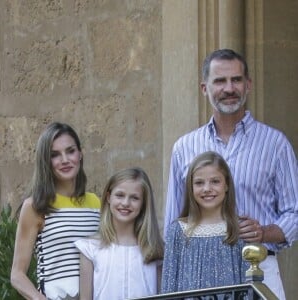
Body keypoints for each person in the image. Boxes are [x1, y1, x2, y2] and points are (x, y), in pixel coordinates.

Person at [164, 48, 298, 299]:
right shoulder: (184, 147)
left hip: (258, 267)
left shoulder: (274, 144)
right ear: (205, 88)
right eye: (220, 81)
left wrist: (264, 233)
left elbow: (296, 212)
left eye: (236, 80)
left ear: (248, 85)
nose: (229, 88)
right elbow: (173, 220)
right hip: (200, 274)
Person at [11, 122, 101, 300]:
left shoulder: (95, 202)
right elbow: (17, 275)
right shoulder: (35, 206)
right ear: (46, 161)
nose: (65, 160)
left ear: (80, 153)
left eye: (70, 151)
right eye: (55, 155)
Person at [161, 151, 249, 293]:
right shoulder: (178, 231)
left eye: (215, 181)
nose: (207, 189)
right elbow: (168, 287)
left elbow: (247, 288)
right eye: (199, 183)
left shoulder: (239, 229)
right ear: (191, 187)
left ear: (226, 185)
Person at [74, 167, 164, 300]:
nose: (126, 203)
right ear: (108, 197)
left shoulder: (155, 250)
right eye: (120, 195)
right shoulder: (90, 248)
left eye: (134, 198)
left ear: (144, 203)